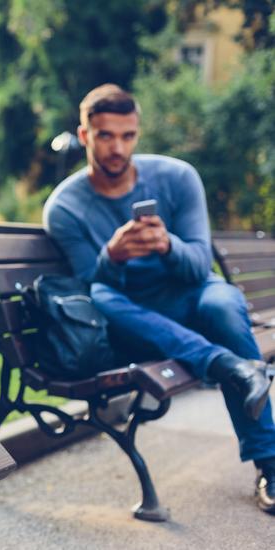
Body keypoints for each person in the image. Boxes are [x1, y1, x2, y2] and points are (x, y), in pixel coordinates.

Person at [43, 84, 275, 515]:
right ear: (84, 134)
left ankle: (271, 464)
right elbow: (90, 290)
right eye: (106, 136)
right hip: (137, 319)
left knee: (222, 306)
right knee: (103, 294)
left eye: (127, 136)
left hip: (194, 295)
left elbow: (199, 264)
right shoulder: (65, 207)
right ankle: (235, 368)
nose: (117, 147)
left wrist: (167, 244)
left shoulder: (177, 176)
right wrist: (112, 255)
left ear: (138, 133)